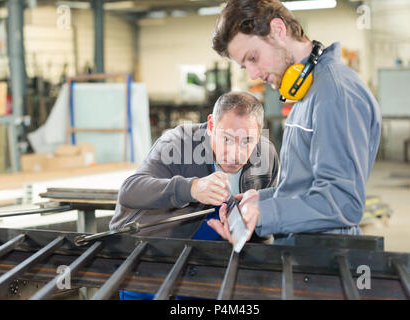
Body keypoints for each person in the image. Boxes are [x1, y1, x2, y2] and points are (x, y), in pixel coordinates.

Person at [208, 0, 382, 245]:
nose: (253, 74)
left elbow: (342, 202)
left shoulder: (334, 94)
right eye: (244, 65)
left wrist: (263, 215)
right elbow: (304, 188)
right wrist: (260, 199)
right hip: (303, 253)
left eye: (253, 57)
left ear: (278, 30)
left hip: (325, 262)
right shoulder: (307, 92)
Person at [110, 91, 279, 299]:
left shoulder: (267, 156)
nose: (236, 153)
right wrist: (192, 189)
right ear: (211, 126)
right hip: (151, 255)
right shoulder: (178, 142)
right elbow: (130, 190)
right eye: (227, 139)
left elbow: (265, 225)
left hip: (207, 263)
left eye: (247, 141)